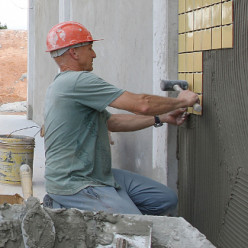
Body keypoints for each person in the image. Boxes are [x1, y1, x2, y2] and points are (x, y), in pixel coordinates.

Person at [41, 21, 199, 215]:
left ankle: (102, 214)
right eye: (90, 48)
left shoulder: (63, 84)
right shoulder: (78, 81)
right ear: (74, 52)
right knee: (134, 224)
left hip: (97, 173)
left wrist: (162, 118)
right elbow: (142, 104)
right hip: (74, 183)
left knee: (165, 199)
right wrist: (181, 101)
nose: (94, 54)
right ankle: (64, 209)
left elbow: (112, 122)